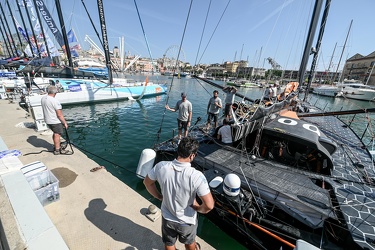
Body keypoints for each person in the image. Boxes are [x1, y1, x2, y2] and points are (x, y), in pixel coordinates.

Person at [143, 137, 214, 250]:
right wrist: (198, 208)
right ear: (192, 156)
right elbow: (209, 205)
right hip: (187, 221)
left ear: (178, 150)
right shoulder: (196, 176)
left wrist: (160, 196)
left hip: (167, 218)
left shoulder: (161, 166)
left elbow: (147, 183)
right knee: (190, 243)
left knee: (169, 244)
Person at [41, 85, 69, 155]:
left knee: (55, 132)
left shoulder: (43, 98)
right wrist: (64, 123)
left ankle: (56, 145)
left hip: (47, 120)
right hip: (54, 120)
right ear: (55, 92)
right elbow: (59, 114)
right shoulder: (55, 101)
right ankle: (57, 149)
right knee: (57, 134)